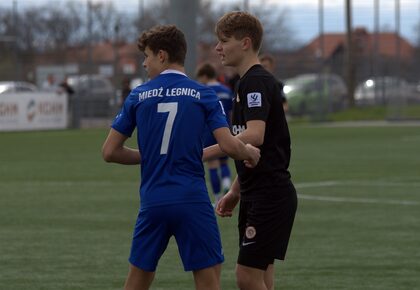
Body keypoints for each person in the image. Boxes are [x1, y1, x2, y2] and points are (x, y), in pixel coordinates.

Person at [101, 24, 260, 290]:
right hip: (193, 200)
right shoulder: (204, 94)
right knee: (208, 281)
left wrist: (152, 156)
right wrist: (248, 151)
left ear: (162, 56)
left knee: (137, 281)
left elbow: (109, 152)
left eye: (147, 56)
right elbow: (229, 145)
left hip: (153, 202)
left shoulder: (138, 96)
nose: (144, 64)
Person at [203, 11, 298, 290]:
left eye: (223, 41)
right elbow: (249, 147)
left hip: (270, 195)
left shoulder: (255, 81)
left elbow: (255, 135)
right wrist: (235, 191)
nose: (217, 48)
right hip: (257, 193)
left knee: (247, 276)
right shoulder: (244, 82)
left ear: (245, 43)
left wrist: (202, 152)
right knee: (262, 276)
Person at [196, 62, 234, 205]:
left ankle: (218, 198)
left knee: (212, 163)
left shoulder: (202, 92)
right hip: (224, 129)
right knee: (224, 161)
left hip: (208, 130)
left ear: (204, 76)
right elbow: (230, 112)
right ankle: (226, 182)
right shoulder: (226, 90)